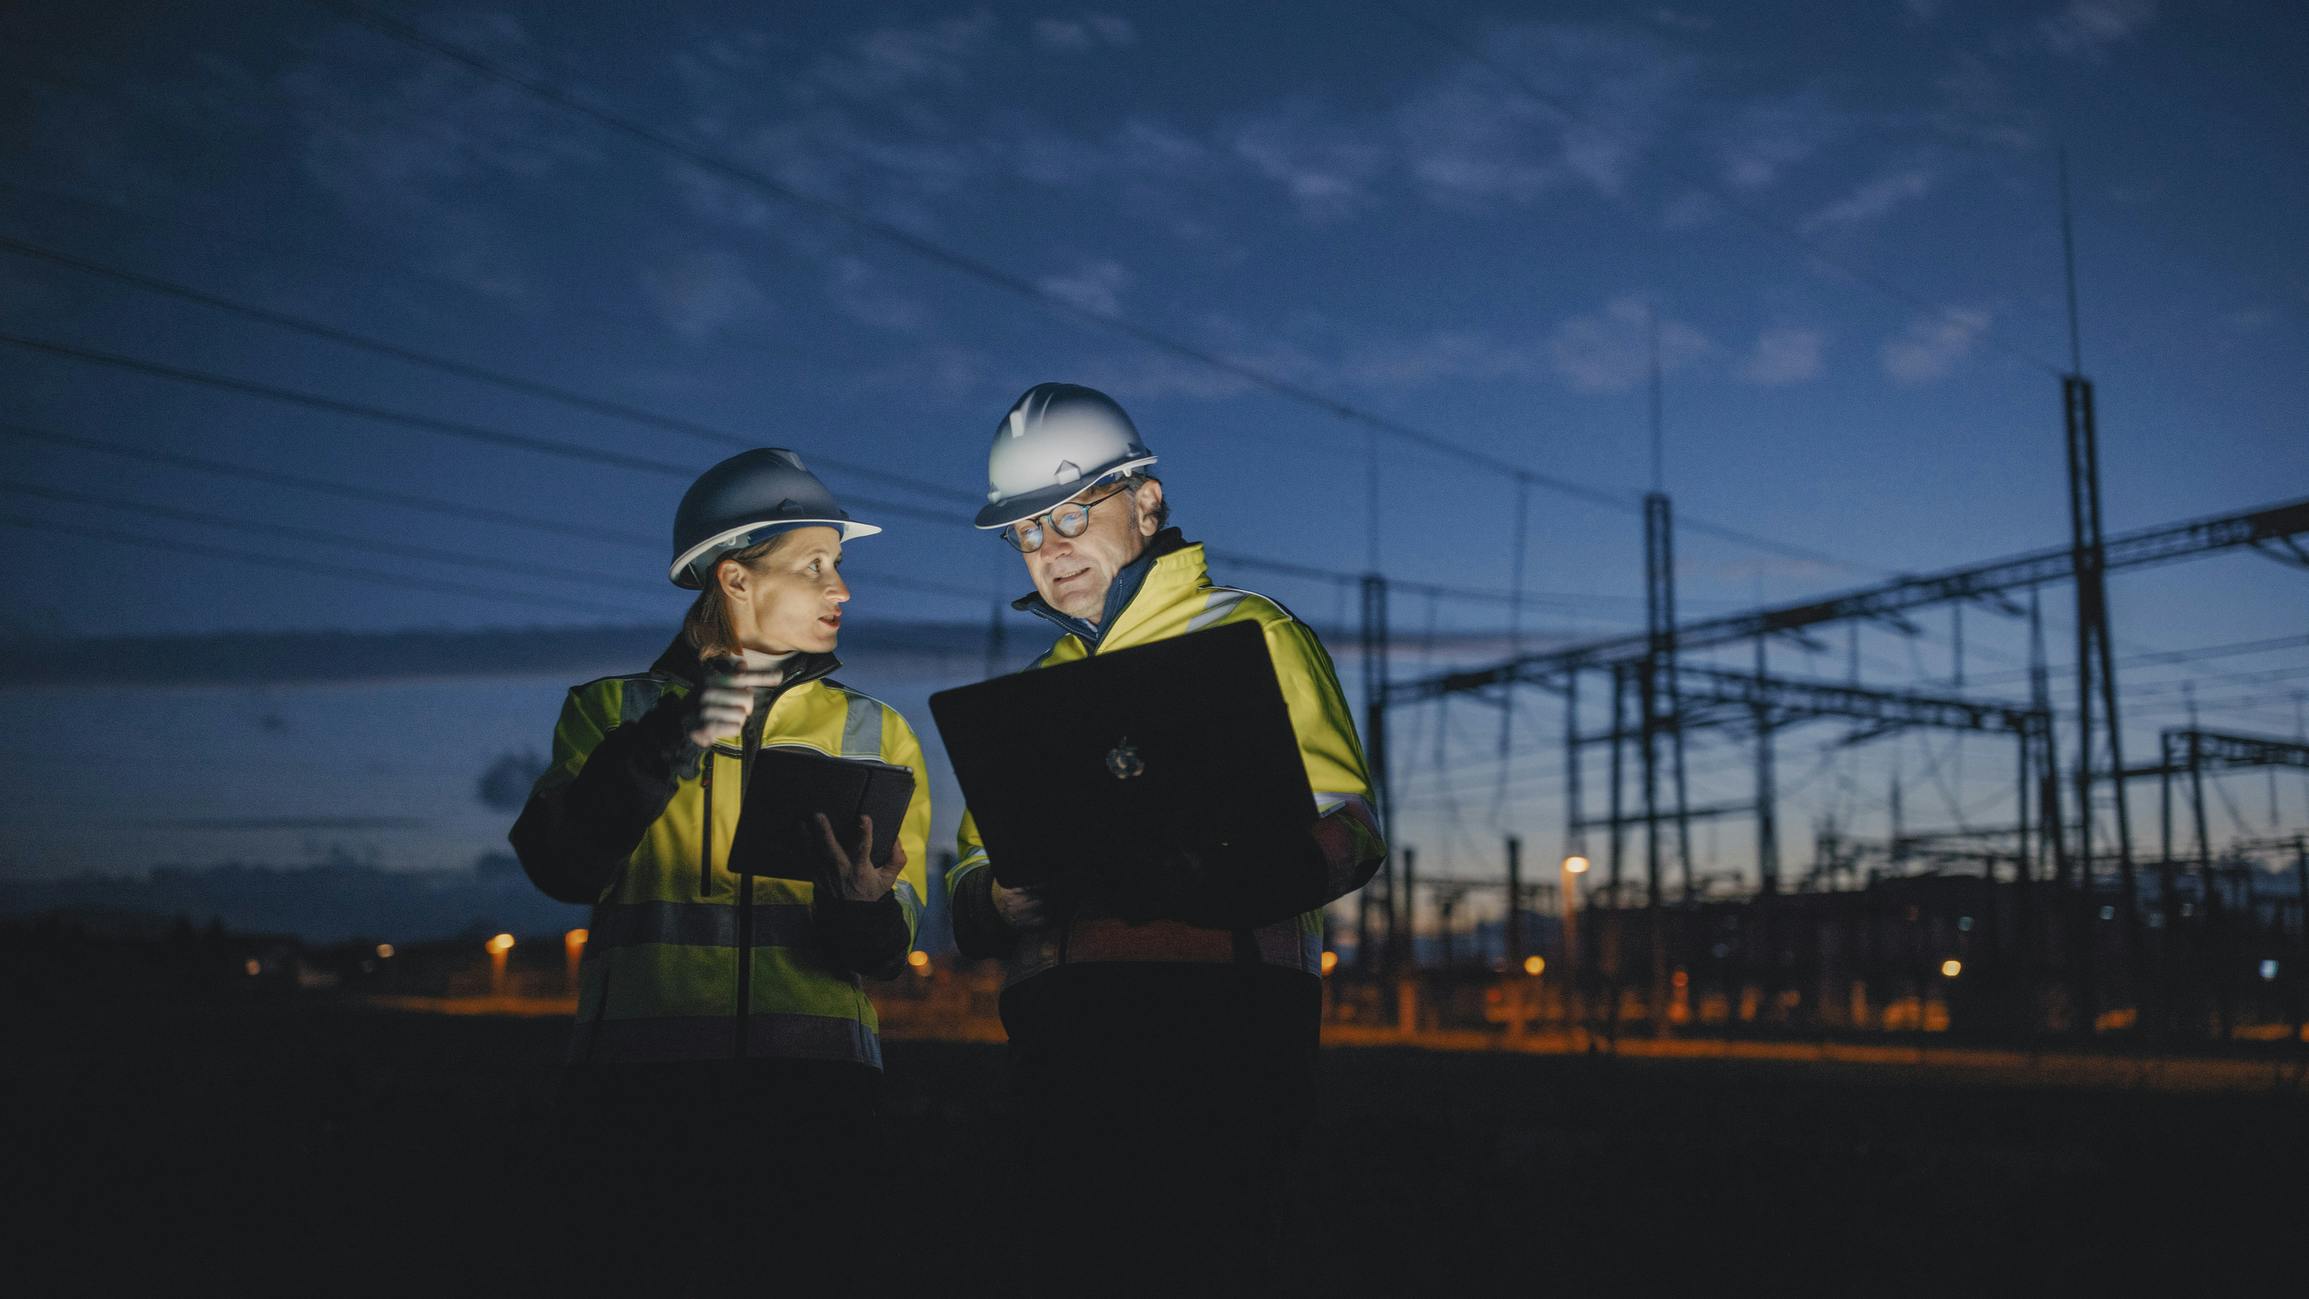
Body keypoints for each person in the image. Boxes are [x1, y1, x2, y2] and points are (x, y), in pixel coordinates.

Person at [945, 383, 1387, 1291]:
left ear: (1146, 501)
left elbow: (1351, 825)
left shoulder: (1249, 632)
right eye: (1025, 534)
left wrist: (1237, 868)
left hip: (1219, 1040)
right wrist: (994, 896)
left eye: (1070, 516)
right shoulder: (1036, 689)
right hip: (1059, 1051)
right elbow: (974, 863)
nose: (1049, 552)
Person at [507, 447, 930, 1281]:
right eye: (814, 566)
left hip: (820, 1105)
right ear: (735, 579)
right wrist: (674, 736)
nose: (840, 589)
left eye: (839, 566)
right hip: (639, 1106)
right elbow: (561, 865)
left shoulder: (876, 732)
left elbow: (890, 945)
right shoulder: (611, 710)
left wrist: (863, 904)